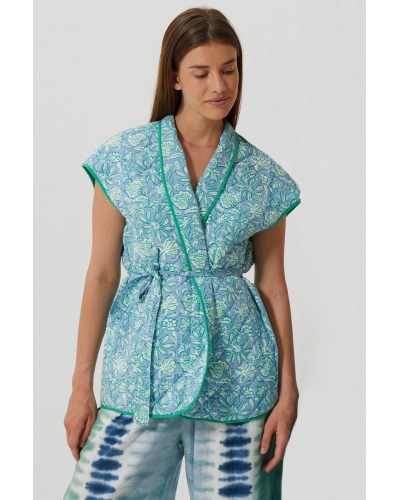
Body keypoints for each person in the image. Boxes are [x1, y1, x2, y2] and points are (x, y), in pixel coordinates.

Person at [63, 7, 301, 500]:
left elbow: (273, 284)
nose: (219, 85)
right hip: (140, 374)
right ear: (174, 77)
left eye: (229, 69)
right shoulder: (124, 160)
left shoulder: (262, 176)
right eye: (201, 72)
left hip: (239, 375)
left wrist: (288, 390)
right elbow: (102, 274)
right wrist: (81, 385)